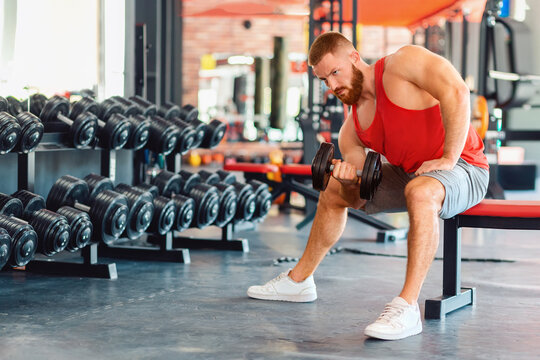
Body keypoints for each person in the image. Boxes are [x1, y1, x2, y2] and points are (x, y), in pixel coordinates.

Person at [246, 31, 489, 341]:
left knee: (421, 191)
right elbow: (363, 181)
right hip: (414, 172)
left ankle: (407, 307)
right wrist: (350, 178)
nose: (332, 86)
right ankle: (299, 282)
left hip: (465, 167)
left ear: (354, 57)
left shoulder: (404, 63)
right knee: (334, 189)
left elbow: (456, 91)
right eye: (324, 80)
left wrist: (448, 157)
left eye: (335, 72)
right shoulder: (353, 128)